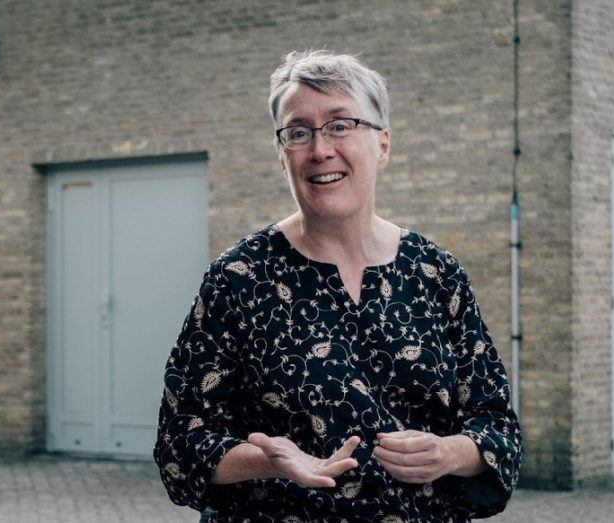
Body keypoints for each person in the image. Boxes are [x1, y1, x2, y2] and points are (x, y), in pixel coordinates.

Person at [154, 49, 522, 522]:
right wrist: (269, 462)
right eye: (298, 132)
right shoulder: (238, 278)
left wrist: (449, 454)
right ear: (282, 155)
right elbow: (180, 442)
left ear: (383, 145)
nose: (320, 149)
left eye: (341, 125)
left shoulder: (436, 273)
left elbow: (498, 429)